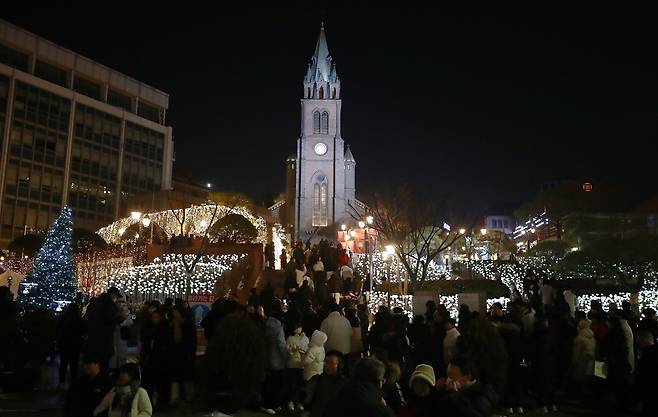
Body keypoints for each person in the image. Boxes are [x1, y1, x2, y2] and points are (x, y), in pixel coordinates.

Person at [323, 358, 395, 417]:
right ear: (378, 379)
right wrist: (385, 407)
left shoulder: (342, 391)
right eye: (382, 380)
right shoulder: (376, 403)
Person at [85, 287, 123, 374]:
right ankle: (102, 381)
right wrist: (120, 318)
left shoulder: (98, 303)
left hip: (95, 338)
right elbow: (110, 319)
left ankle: (96, 378)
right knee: (104, 363)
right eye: (116, 296)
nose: (116, 298)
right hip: (104, 338)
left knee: (97, 362)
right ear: (112, 294)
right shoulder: (108, 305)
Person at [140, 309, 170, 408]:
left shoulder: (164, 328)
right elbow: (143, 341)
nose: (155, 320)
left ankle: (160, 402)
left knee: (159, 382)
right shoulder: (147, 327)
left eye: (157, 317)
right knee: (148, 383)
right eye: (153, 317)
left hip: (160, 359)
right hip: (148, 359)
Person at [303, 350, 347, 417]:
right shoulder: (317, 379)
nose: (328, 366)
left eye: (331, 363)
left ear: (340, 365)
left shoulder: (345, 383)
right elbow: (306, 395)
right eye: (326, 362)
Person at [263, 302, 289, 411]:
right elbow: (281, 343)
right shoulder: (278, 325)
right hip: (278, 360)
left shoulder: (265, 323)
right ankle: (273, 404)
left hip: (266, 358)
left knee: (268, 384)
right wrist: (287, 356)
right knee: (276, 385)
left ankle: (266, 403)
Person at [169, 306, 196, 406]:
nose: (175, 315)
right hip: (175, 353)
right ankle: (175, 397)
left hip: (185, 353)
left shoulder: (188, 325)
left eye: (176, 313)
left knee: (186, 375)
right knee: (176, 375)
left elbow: (190, 340)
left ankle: (189, 395)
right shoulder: (172, 324)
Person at [57, 302, 86, 386]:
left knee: (63, 364)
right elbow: (84, 331)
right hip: (75, 346)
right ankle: (72, 382)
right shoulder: (79, 320)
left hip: (64, 344)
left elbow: (58, 330)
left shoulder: (63, 318)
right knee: (74, 365)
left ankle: (61, 382)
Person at [285, 321, 309, 412]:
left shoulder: (305, 339)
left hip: (300, 365)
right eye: (296, 327)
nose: (298, 329)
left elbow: (307, 350)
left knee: (299, 385)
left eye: (299, 327)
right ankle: (290, 401)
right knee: (292, 384)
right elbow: (286, 350)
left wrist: (303, 352)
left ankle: (298, 401)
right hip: (292, 364)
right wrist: (292, 350)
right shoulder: (290, 338)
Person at [636, 330, 658, 417]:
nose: (637, 342)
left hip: (649, 389)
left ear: (644, 340)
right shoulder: (654, 351)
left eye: (639, 339)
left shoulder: (646, 354)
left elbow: (642, 374)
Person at [571, 319, 596, 384]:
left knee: (580, 379)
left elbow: (576, 353)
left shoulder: (579, 338)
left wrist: (574, 362)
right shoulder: (592, 337)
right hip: (591, 360)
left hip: (581, 361)